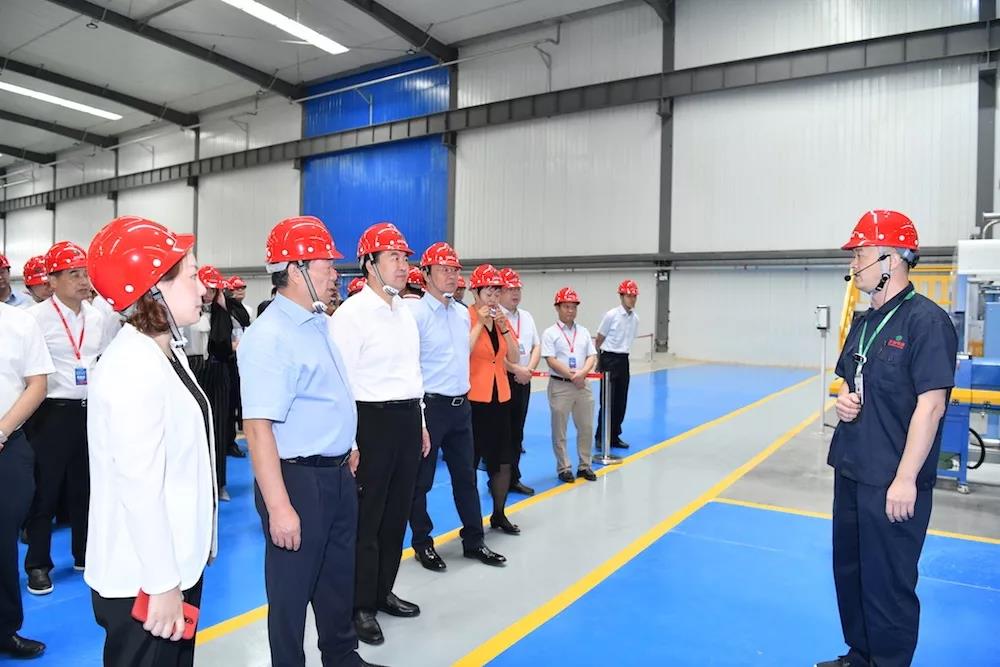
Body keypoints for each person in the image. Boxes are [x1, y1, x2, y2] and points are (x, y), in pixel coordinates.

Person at [818, 211, 957, 667]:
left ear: (890, 259)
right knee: (851, 572)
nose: (854, 263)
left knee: (888, 583)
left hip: (892, 479)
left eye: (860, 253)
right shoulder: (864, 322)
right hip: (853, 467)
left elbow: (931, 407)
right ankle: (861, 656)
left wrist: (905, 479)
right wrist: (845, 401)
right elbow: (851, 382)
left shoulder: (927, 323)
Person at [239, 216, 378, 667]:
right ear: (296, 270)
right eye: (327, 265)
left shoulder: (317, 322)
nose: (336, 274)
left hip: (335, 473)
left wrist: (347, 443)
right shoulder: (269, 336)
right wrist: (279, 507)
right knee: (291, 591)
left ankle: (341, 656)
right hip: (297, 480)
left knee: (337, 578)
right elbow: (258, 427)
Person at [84, 216, 217, 667]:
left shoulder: (166, 351)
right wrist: (161, 583)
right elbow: (139, 486)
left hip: (173, 565)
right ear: (154, 288)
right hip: (144, 579)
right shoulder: (132, 368)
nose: (203, 288)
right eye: (193, 276)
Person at [329, 222, 430, 646]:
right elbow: (341, 383)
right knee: (367, 520)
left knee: (396, 515)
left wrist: (420, 421)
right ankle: (360, 606)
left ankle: (383, 590)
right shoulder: (350, 316)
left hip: (406, 420)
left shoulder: (404, 311)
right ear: (369, 264)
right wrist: (351, 442)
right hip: (370, 423)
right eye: (393, 257)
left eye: (405, 258)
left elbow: (413, 371)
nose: (403, 265)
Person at [407, 243, 506, 573]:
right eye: (443, 270)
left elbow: (464, 353)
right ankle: (422, 542)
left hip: (461, 406)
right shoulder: (415, 314)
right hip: (431, 407)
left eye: (454, 270)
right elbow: (409, 365)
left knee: (466, 476)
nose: (451, 276)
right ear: (425, 274)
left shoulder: (462, 313)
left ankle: (474, 540)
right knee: (421, 481)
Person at [23, 241, 109, 595]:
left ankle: (84, 553)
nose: (83, 280)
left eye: (85, 273)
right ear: (52, 281)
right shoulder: (35, 319)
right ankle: (38, 565)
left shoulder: (97, 317)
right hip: (51, 414)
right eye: (74, 274)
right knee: (45, 491)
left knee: (87, 488)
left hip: (90, 411)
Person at [0, 300, 54, 659]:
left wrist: (2, 430)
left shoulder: (19, 323)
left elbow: (37, 385)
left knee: (3, 542)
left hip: (8, 444)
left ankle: (4, 629)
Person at [467, 264, 523, 534]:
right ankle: (471, 521)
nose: (493, 298)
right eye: (488, 293)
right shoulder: (466, 316)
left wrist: (504, 329)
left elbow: (514, 356)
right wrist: (480, 323)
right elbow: (462, 351)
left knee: (503, 460)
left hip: (500, 396)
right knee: (470, 460)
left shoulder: (502, 319)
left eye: (496, 292)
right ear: (475, 293)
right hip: (474, 399)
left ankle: (499, 513)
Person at [540, 288, 599, 484]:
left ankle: (584, 465)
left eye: (573, 307)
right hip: (561, 386)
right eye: (566, 307)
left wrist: (582, 374)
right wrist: (572, 376)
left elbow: (592, 356)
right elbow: (551, 359)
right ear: (557, 308)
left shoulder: (583, 332)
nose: (570, 311)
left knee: (586, 427)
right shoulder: (550, 333)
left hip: (583, 385)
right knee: (560, 429)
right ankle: (564, 467)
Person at [498, 268, 540, 496]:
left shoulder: (527, 317)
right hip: (503, 379)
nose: (515, 293)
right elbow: (494, 355)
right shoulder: (495, 317)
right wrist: (516, 369)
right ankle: (498, 479)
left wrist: (528, 369)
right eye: (509, 289)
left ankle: (514, 477)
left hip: (524, 380)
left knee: (517, 431)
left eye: (517, 289)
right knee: (501, 432)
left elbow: (536, 346)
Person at [197, 266, 236, 500]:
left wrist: (224, 305)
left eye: (214, 290)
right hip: (195, 371)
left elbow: (240, 323)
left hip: (219, 371)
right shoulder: (188, 310)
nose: (209, 294)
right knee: (196, 430)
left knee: (219, 429)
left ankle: (219, 483)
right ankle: (199, 484)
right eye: (206, 289)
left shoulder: (223, 311)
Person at [594, 280, 640, 450]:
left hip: (623, 359)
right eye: (629, 296)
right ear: (621, 296)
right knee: (607, 401)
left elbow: (629, 340)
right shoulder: (611, 315)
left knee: (621, 401)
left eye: (634, 296)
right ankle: (601, 436)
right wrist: (599, 360)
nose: (632, 299)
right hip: (609, 358)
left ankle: (614, 435)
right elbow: (599, 339)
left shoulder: (635, 319)